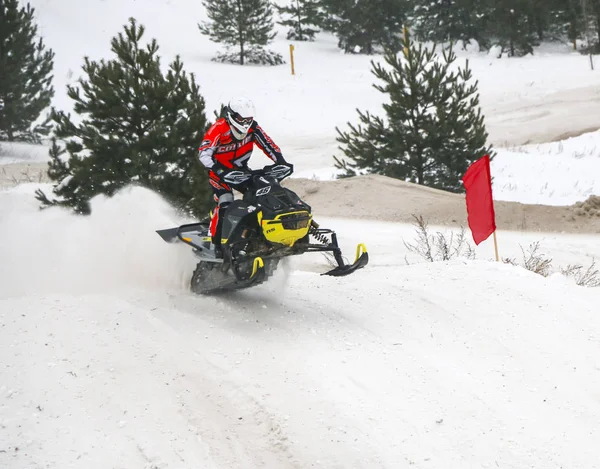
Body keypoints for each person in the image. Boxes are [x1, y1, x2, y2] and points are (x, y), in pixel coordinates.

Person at [198, 96, 290, 257]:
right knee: (226, 202)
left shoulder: (253, 128)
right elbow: (204, 153)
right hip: (219, 173)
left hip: (241, 171)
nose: (246, 122)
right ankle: (217, 245)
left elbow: (269, 145)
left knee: (262, 195)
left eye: (249, 118)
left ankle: (258, 238)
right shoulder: (219, 128)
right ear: (232, 116)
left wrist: (280, 161)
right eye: (242, 119)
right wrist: (218, 169)